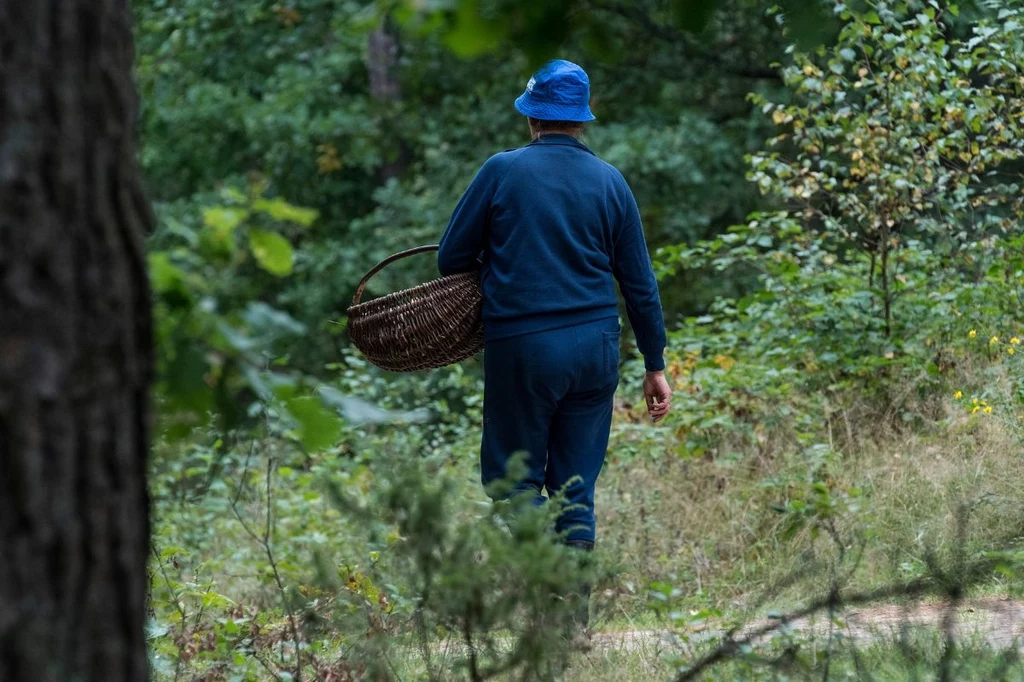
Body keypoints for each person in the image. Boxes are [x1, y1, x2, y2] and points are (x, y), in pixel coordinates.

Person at [437, 59, 671, 641]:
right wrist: (655, 365)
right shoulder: (612, 182)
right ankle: (572, 624)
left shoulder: (501, 172)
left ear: (532, 116)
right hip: (597, 348)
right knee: (575, 486)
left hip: (525, 345)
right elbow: (640, 285)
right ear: (580, 120)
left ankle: (547, 568)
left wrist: (500, 265)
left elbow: (449, 259)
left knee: (510, 481)